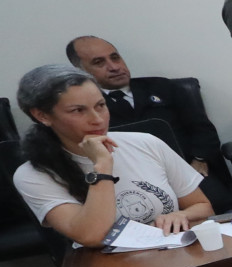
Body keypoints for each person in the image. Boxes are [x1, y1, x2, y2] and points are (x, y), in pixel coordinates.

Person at [13, 64, 217, 248]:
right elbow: (92, 236)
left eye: (100, 106)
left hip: (172, 253)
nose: (97, 119)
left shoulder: (146, 142)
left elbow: (204, 207)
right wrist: (102, 165)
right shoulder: (33, 175)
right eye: (78, 110)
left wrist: (180, 214)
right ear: (42, 116)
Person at [64, 36, 232, 211]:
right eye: (99, 62)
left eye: (115, 57)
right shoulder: (87, 109)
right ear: (81, 72)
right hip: (127, 181)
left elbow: (203, 129)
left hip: (188, 169)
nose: (114, 67)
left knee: (216, 203)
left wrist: (200, 159)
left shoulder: (163, 87)